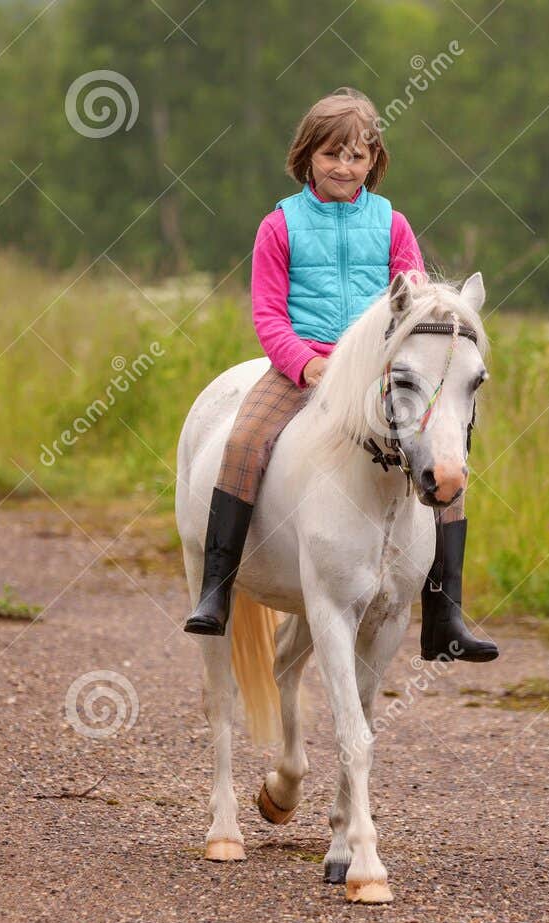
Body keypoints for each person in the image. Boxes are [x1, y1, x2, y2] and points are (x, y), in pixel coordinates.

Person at [183, 86, 498, 663]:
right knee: (246, 439)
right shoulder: (278, 226)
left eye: (357, 156)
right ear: (307, 156)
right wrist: (305, 362)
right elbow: (267, 313)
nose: (344, 167)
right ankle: (217, 586)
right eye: (332, 155)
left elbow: (414, 309)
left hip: (378, 378)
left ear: (374, 162)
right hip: (301, 367)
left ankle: (444, 611)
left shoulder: (392, 225)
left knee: (443, 455)